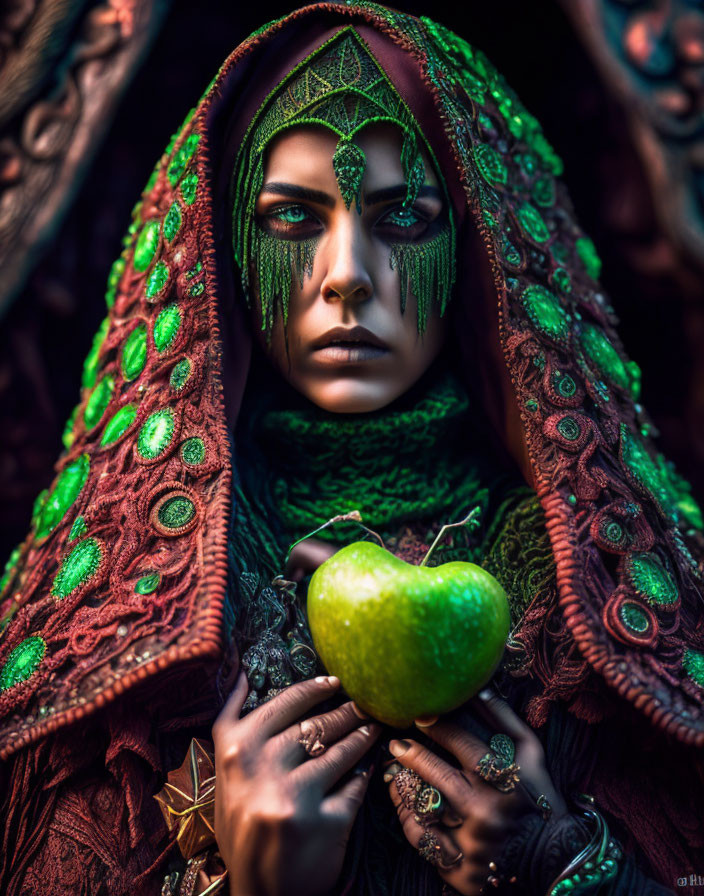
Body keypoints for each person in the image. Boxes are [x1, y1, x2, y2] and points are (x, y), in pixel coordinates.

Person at [1, 4, 703, 895]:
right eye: (292, 219)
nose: (347, 275)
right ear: (220, 243)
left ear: (480, 236)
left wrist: (562, 862)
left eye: (403, 215)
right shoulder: (133, 586)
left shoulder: (595, 589)